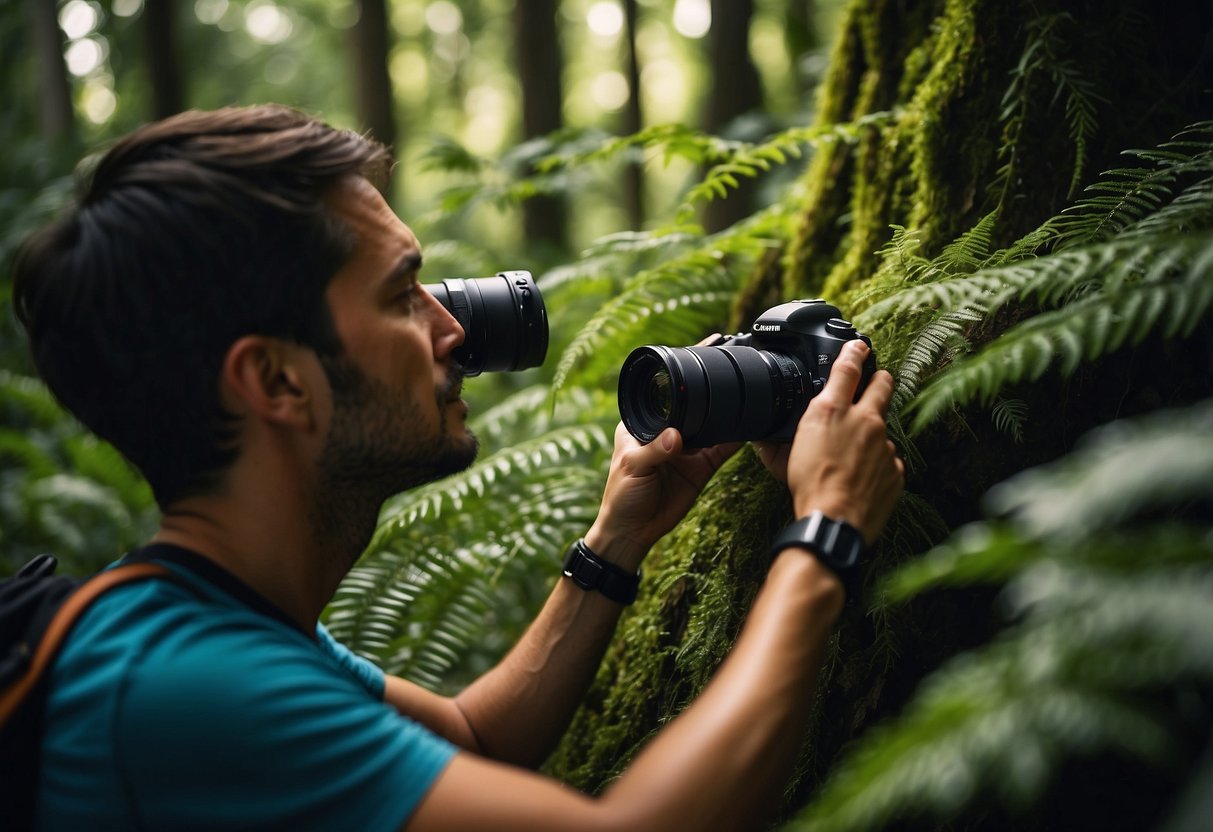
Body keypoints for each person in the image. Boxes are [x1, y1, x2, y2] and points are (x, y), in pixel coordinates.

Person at [12, 104, 904, 831]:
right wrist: (823, 536)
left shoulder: (197, 618)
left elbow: (471, 739)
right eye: (403, 296)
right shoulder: (185, 691)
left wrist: (615, 538)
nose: (453, 332)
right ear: (278, 381)